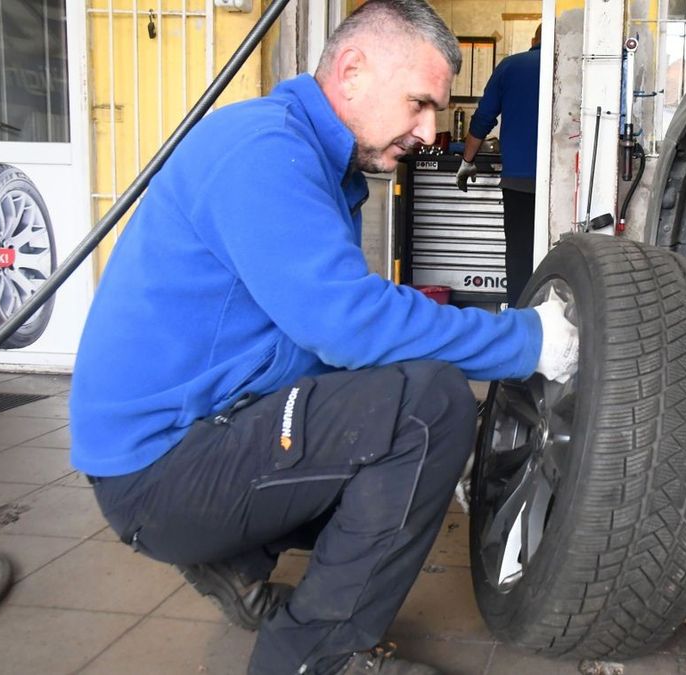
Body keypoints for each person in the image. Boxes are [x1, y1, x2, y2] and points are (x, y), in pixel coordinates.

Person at [67, 2, 577, 674]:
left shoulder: (310, 159)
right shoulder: (265, 153)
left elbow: (310, 343)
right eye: (420, 103)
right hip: (157, 470)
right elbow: (348, 324)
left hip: (182, 442)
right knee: (431, 409)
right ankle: (315, 657)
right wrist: (524, 341)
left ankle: (235, 556)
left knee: (391, 419)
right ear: (352, 70)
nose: (429, 132)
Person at [455, 25, 541, 306]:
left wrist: (467, 161)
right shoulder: (567, 69)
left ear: (532, 40)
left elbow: (483, 119)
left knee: (518, 255)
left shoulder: (510, 66)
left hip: (518, 182)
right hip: (561, 184)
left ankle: (520, 318)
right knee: (555, 252)